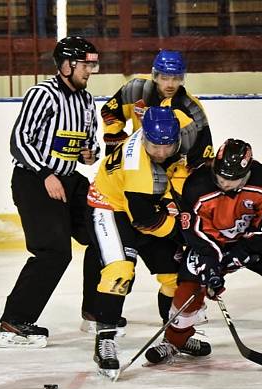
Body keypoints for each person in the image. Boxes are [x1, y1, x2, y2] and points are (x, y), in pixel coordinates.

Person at [145, 139, 262, 365]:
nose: (224, 184)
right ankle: (174, 341)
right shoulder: (197, 185)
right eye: (221, 178)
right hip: (211, 244)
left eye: (232, 180)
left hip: (255, 241)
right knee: (188, 291)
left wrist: (243, 253)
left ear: (247, 173)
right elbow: (193, 231)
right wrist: (211, 262)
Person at [83, 49, 214, 333]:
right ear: (154, 75)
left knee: (171, 271)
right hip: (125, 191)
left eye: (175, 77)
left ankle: (175, 331)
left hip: (156, 185)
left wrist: (191, 209)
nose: (169, 83)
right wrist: (115, 141)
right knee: (118, 266)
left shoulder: (190, 112)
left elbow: (200, 161)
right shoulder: (136, 90)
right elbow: (110, 112)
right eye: (164, 77)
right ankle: (101, 324)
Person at [0, 36, 101, 349]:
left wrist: (89, 154)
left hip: (68, 179)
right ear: (67, 65)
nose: (90, 71)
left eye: (92, 65)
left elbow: (92, 142)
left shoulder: (85, 101)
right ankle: (14, 321)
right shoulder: (42, 94)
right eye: (85, 64)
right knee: (54, 252)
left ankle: (95, 312)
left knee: (104, 233)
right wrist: (45, 173)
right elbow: (20, 140)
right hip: (34, 179)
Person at [86, 106, 201, 378]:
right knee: (119, 272)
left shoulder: (178, 131)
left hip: (148, 204)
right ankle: (105, 340)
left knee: (174, 275)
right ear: (145, 137)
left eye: (167, 146)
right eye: (154, 146)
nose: (161, 152)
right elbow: (147, 222)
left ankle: (175, 335)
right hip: (111, 208)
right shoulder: (138, 167)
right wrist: (189, 237)